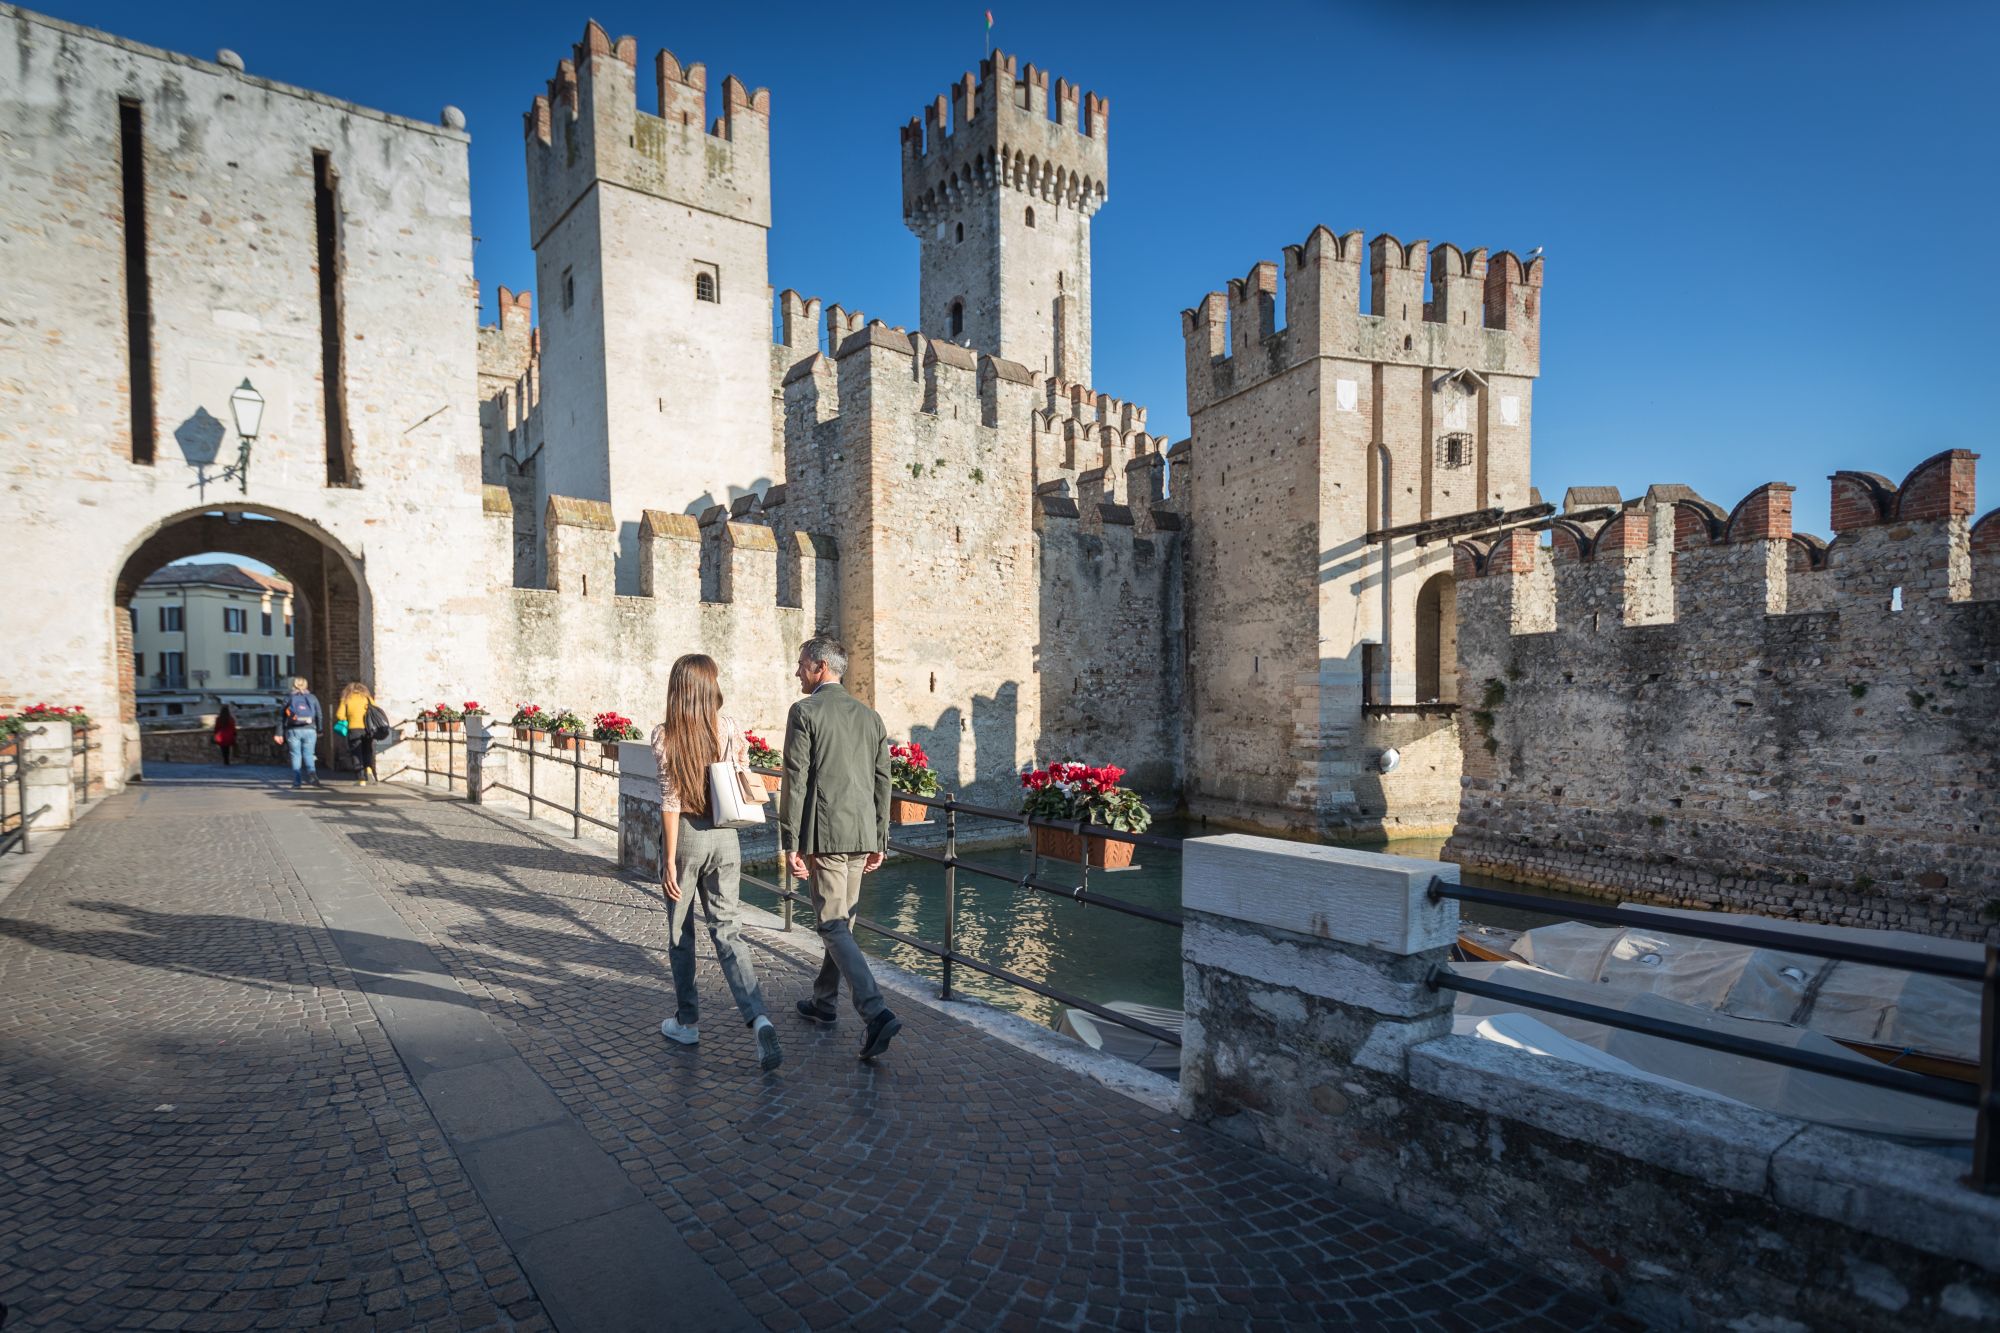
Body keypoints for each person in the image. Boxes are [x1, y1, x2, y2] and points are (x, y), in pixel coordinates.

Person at [649, 653, 783, 1072]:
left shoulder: (665, 735)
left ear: (678, 688)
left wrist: (669, 861)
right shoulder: (728, 728)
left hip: (686, 838)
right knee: (728, 931)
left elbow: (670, 801)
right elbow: (740, 773)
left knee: (680, 932)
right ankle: (758, 1017)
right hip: (726, 837)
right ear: (709, 688)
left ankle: (687, 1022)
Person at [780, 635, 901, 1061]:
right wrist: (880, 838)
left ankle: (875, 1012)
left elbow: (795, 779)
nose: (797, 671)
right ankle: (824, 1002)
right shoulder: (871, 717)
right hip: (862, 833)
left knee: (832, 925)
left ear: (821, 668)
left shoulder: (805, 711)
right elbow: (883, 782)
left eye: (801, 664)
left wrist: (790, 842)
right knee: (842, 923)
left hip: (827, 833)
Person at [335, 681, 379, 785]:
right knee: (367, 750)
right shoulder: (367, 698)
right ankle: (369, 769)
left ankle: (361, 779)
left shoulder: (346, 698)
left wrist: (346, 718)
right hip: (368, 729)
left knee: (356, 753)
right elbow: (376, 710)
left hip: (353, 729)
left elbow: (339, 715)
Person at [282, 677, 321, 789]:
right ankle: (312, 775)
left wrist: (279, 732)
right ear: (306, 685)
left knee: (296, 755)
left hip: (293, 729)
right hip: (310, 729)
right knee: (309, 754)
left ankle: (297, 782)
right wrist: (320, 729)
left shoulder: (289, 697)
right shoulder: (312, 697)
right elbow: (319, 714)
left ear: (293, 685)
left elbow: (282, 716)